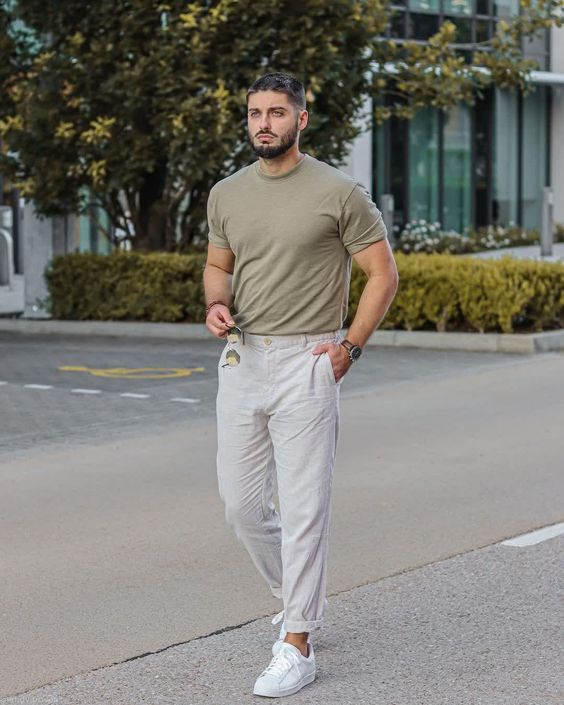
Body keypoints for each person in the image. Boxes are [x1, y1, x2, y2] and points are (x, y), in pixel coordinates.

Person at [203, 73, 399, 698]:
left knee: (305, 507)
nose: (265, 123)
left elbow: (382, 274)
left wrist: (348, 348)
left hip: (308, 361)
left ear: (301, 119)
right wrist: (215, 304)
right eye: (256, 113)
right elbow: (218, 265)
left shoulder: (339, 192)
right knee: (240, 504)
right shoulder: (227, 194)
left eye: (278, 113)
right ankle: (295, 601)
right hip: (243, 359)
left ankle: (298, 644)